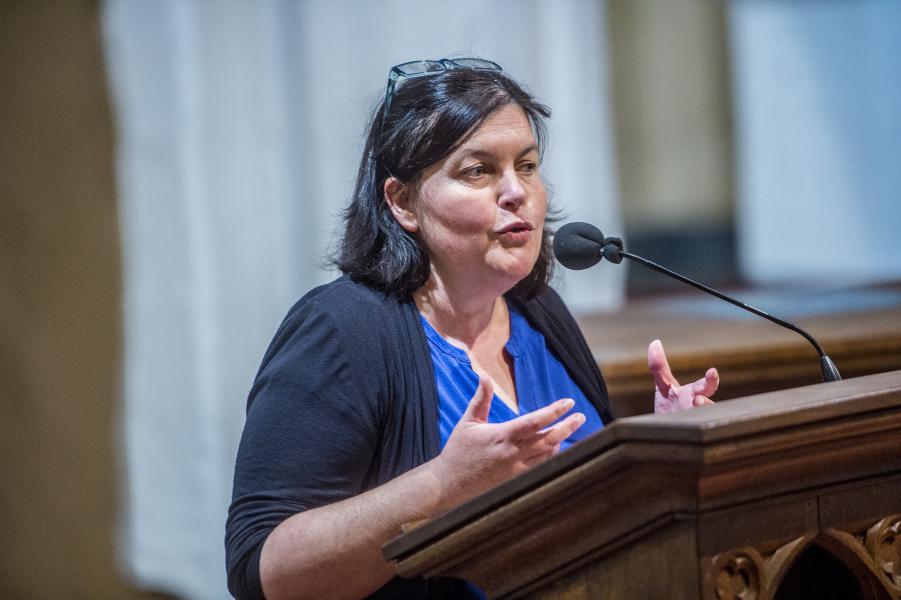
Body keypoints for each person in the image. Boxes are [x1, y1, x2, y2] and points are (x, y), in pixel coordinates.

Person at [225, 58, 718, 600]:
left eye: (527, 166)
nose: (515, 192)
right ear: (403, 202)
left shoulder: (538, 311)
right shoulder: (343, 331)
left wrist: (656, 454)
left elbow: (582, 517)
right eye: (477, 171)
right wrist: (443, 486)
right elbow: (261, 571)